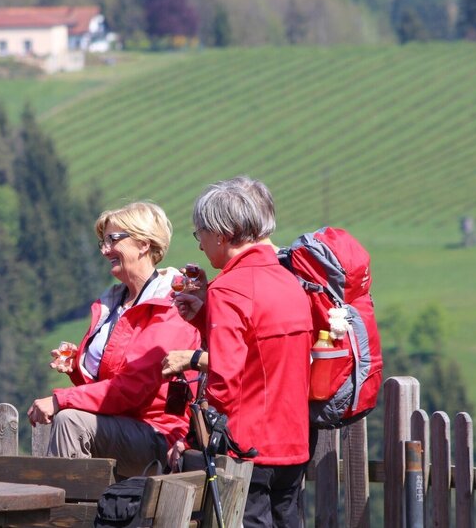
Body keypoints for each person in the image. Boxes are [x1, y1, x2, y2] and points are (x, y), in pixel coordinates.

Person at [161, 177, 314, 527]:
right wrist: (204, 317)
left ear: (221, 234)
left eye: (199, 233)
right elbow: (264, 352)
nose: (199, 245)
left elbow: (225, 383)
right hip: (292, 444)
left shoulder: (229, 290)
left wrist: (192, 438)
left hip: (246, 449)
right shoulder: (289, 281)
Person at [26, 201, 201, 479]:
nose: (106, 250)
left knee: (70, 421)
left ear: (144, 244)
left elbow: (132, 388)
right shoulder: (114, 304)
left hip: (158, 433)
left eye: (113, 240)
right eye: (103, 242)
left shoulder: (171, 306)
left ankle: (69, 516)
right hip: (122, 426)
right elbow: (108, 386)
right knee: (71, 418)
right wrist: (78, 367)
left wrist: (62, 400)